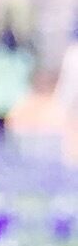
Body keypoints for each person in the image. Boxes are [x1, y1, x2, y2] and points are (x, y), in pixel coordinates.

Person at [58, 20, 78, 166]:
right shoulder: (72, 53)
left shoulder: (72, 53)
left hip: (73, 98)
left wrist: (63, 99)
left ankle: (72, 157)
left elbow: (67, 80)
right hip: (73, 98)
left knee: (72, 127)